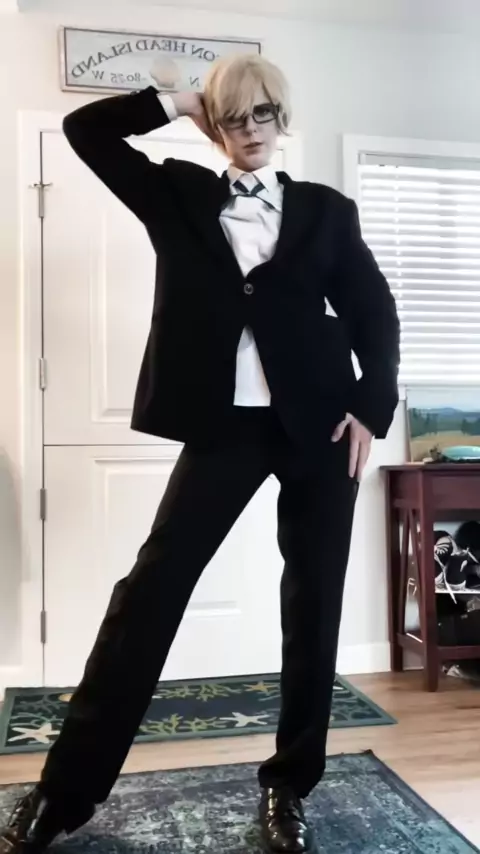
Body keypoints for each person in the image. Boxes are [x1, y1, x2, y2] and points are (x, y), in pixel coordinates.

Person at [1, 54, 399, 854]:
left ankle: (289, 787)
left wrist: (370, 405)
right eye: (233, 117)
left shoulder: (327, 212)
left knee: (315, 603)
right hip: (225, 429)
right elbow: (87, 130)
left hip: (321, 429)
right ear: (215, 126)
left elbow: (372, 310)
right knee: (150, 591)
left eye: (262, 114)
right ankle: (64, 792)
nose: (249, 130)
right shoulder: (177, 194)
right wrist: (182, 101)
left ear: (282, 118)